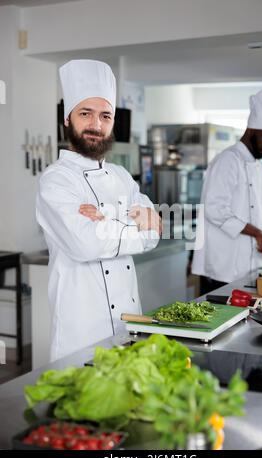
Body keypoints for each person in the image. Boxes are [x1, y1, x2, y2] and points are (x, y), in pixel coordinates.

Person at [36, 59, 161, 361]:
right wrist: (132, 223)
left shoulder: (120, 176)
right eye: (85, 114)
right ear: (68, 119)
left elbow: (155, 234)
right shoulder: (55, 180)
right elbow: (85, 244)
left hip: (130, 324)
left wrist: (106, 221)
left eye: (105, 115)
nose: (96, 125)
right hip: (82, 332)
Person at [192, 88, 262, 294]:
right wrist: (258, 234)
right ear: (251, 130)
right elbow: (214, 209)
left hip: (252, 270)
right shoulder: (227, 161)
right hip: (222, 272)